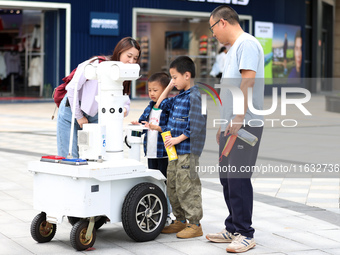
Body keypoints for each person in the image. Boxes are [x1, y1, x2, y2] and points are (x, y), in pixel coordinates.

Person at [206, 5, 264, 253]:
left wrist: (239, 116)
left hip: (246, 123)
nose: (212, 35)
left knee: (238, 178)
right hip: (231, 125)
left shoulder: (247, 44)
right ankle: (233, 227)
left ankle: (245, 233)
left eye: (212, 28)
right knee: (227, 179)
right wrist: (223, 124)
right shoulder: (232, 50)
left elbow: (248, 79)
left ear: (222, 22)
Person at [57, 37, 141, 158]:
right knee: (69, 155)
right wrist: (79, 116)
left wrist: (123, 110)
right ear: (119, 52)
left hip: (96, 115)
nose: (131, 61)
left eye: (135, 58)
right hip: (70, 110)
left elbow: (125, 100)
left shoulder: (123, 73)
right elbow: (71, 88)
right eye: (129, 56)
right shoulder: (96, 64)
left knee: (96, 155)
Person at [155, 56, 206, 239]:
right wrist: (169, 87)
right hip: (174, 152)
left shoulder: (195, 96)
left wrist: (178, 139)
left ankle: (194, 224)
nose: (173, 81)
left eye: (175, 77)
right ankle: (180, 220)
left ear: (187, 75)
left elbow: (196, 123)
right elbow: (159, 105)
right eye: (171, 78)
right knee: (174, 186)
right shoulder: (178, 97)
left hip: (187, 150)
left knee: (188, 186)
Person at [131, 72, 172, 224]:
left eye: (156, 90)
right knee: (154, 183)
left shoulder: (167, 105)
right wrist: (138, 124)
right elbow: (143, 123)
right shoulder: (149, 107)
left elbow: (170, 126)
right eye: (149, 90)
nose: (152, 93)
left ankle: (167, 214)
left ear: (165, 90)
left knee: (164, 184)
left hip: (164, 154)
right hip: (151, 153)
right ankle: (156, 212)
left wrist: (158, 127)